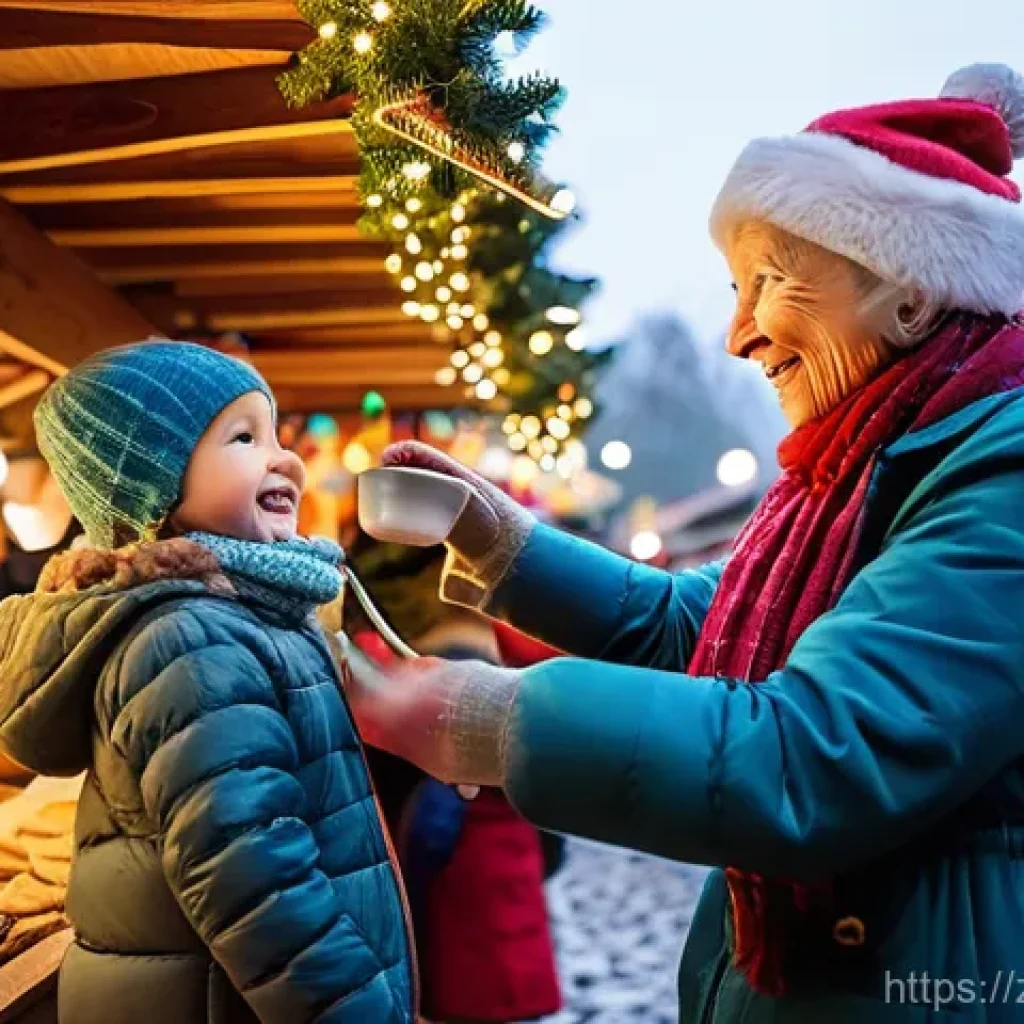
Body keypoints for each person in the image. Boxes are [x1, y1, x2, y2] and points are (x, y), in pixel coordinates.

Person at [347, 64, 1024, 1022]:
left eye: (767, 283)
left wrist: (494, 723)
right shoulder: (856, 471)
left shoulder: (1001, 475)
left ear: (910, 293)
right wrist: (500, 539)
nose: (736, 334)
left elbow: (817, 752)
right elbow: (694, 624)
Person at [0, 341, 415, 1023]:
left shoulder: (247, 613)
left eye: (277, 434)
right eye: (244, 437)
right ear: (149, 486)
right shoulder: (192, 640)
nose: (283, 457)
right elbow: (260, 887)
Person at [344, 536, 562, 1024]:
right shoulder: (488, 650)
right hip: (508, 863)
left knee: (475, 994)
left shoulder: (442, 663)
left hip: (464, 875)